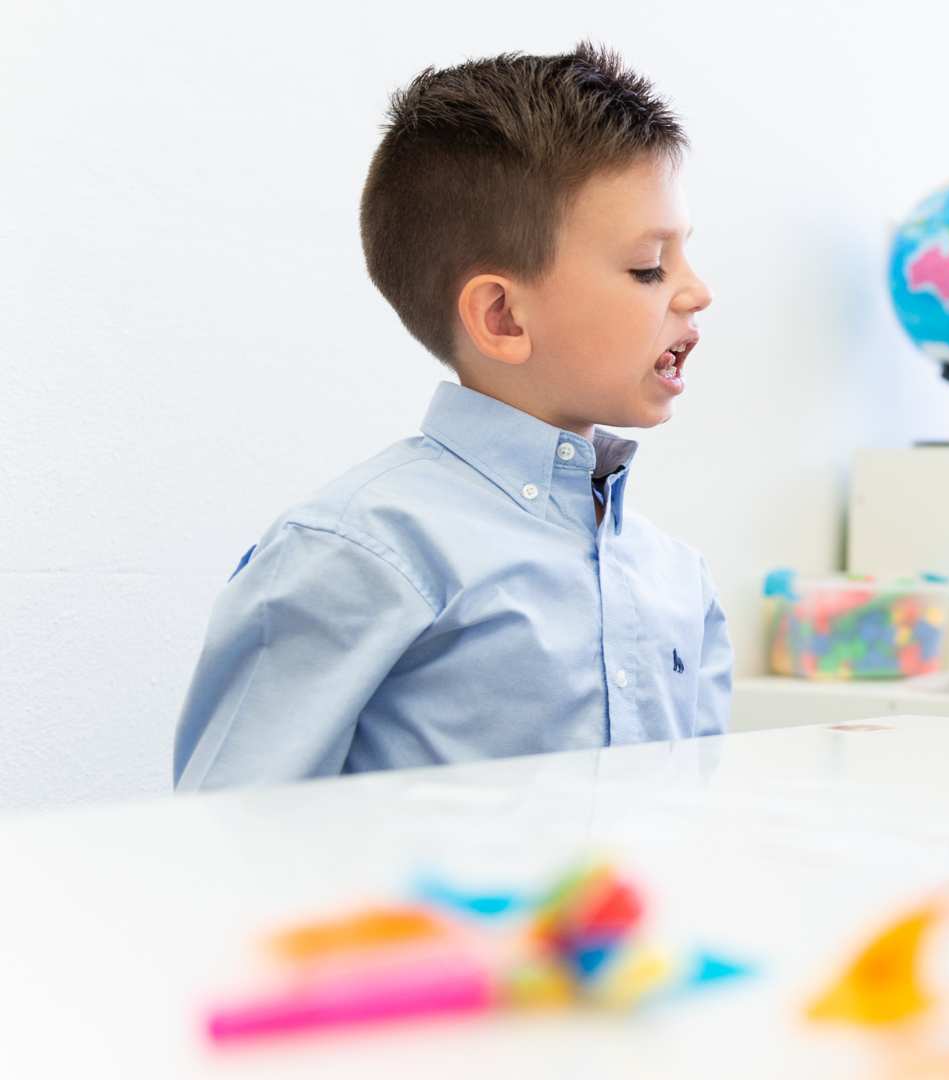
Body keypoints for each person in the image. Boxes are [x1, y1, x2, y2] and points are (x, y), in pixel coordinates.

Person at [175, 44, 730, 791]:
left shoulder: (677, 580)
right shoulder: (361, 552)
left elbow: (696, 830)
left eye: (685, 256)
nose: (697, 292)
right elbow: (226, 839)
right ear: (501, 315)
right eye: (648, 268)